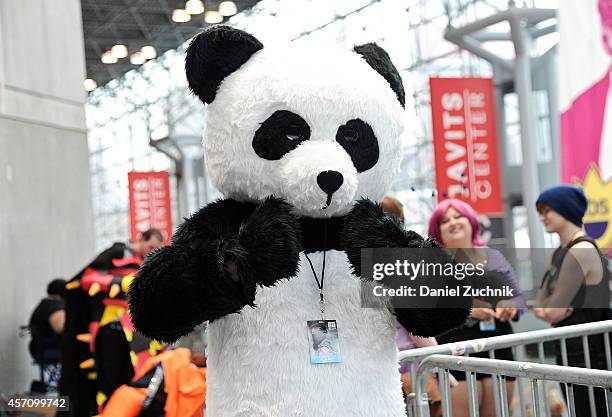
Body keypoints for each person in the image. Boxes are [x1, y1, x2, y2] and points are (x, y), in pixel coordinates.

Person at [428, 198, 523, 417]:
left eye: (458, 216)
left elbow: (518, 298)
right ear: (437, 230)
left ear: (471, 221)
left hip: (498, 346)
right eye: (445, 220)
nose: (453, 222)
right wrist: (467, 309)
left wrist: (511, 306)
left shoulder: (494, 258)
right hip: (455, 349)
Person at [59, 229, 165, 417]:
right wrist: (120, 281)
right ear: (141, 238)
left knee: (134, 380)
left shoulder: (144, 265)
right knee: (109, 381)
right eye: (150, 247)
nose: (151, 252)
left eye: (155, 250)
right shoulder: (119, 253)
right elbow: (87, 278)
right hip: (111, 327)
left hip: (137, 334)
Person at [534, 185, 611, 416]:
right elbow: (539, 306)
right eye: (540, 211)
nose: (542, 217)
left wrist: (548, 307)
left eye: (547, 210)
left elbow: (551, 312)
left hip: (589, 351)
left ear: (565, 210)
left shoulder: (582, 249)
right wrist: (547, 308)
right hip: (571, 347)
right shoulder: (559, 252)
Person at [28, 279, 67, 372]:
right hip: (51, 350)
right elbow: (62, 328)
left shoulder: (45, 305)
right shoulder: (54, 306)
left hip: (41, 349)